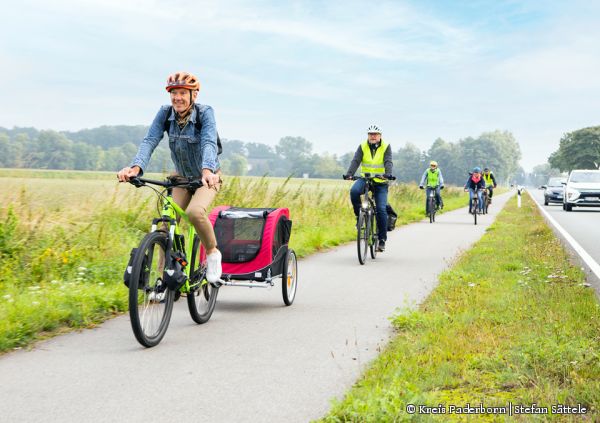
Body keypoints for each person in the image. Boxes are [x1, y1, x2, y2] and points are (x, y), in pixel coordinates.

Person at [117, 71, 223, 283]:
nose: (178, 98)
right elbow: (150, 140)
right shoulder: (165, 114)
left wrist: (207, 171)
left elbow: (209, 142)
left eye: (183, 92)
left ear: (194, 95)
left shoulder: (205, 113)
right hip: (182, 178)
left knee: (195, 213)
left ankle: (212, 253)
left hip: (207, 177)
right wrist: (136, 168)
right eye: (174, 93)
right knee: (165, 224)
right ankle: (164, 279)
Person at [344, 124, 393, 252]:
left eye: (375, 134)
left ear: (380, 136)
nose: (372, 136)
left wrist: (387, 174)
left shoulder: (386, 146)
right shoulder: (362, 146)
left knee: (381, 209)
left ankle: (382, 239)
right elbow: (356, 160)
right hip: (365, 179)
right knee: (354, 192)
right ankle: (359, 217)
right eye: (370, 134)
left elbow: (388, 161)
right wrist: (350, 173)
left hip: (380, 181)